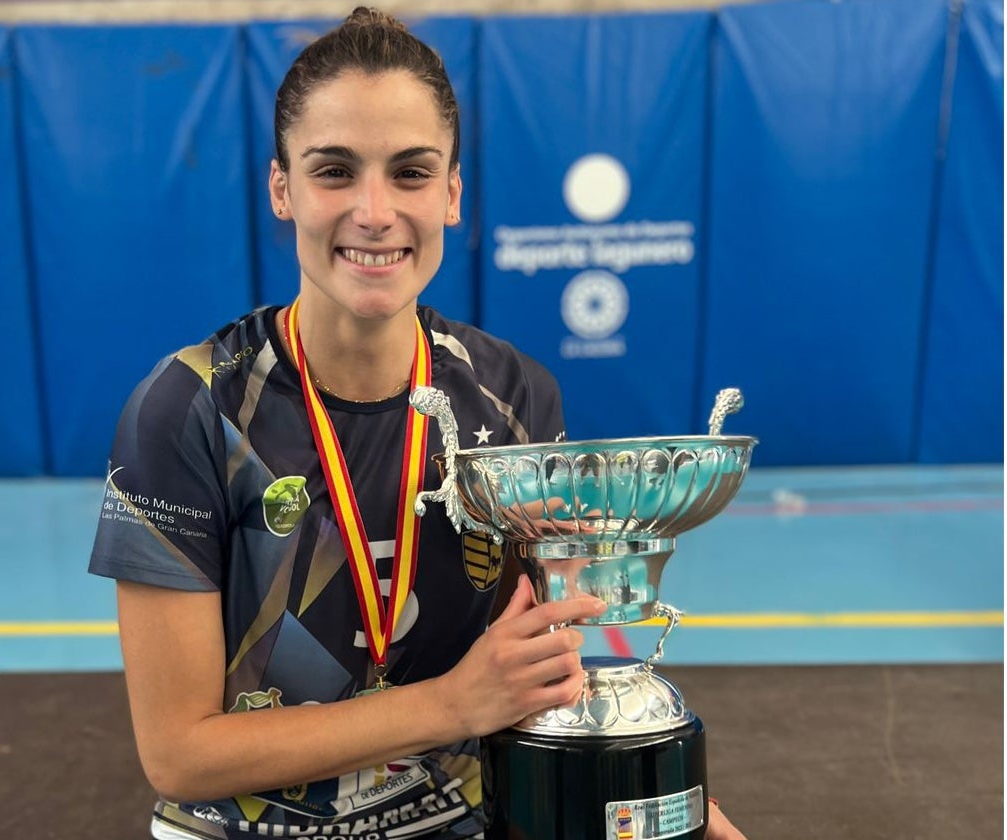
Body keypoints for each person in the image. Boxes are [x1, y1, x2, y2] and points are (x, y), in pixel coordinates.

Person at [89, 8, 748, 839]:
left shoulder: (512, 397)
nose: (373, 211)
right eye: (334, 171)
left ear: (453, 193)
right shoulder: (191, 407)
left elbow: (535, 663)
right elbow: (180, 755)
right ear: (281, 189)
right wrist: (449, 704)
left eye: (410, 172)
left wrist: (675, 799)